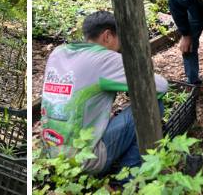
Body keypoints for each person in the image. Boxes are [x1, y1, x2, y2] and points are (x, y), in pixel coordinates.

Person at [39, 11, 167, 177]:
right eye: (120, 39)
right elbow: (161, 86)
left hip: (52, 153)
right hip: (85, 160)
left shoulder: (58, 53)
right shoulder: (104, 58)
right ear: (107, 36)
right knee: (154, 104)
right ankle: (127, 178)